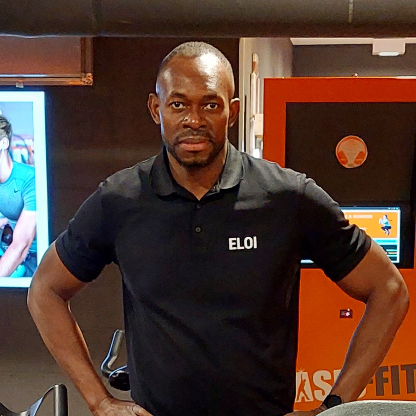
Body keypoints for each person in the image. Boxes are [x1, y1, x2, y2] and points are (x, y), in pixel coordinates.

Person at [27, 42, 409, 416]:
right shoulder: (120, 200)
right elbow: (45, 290)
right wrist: (100, 402)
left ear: (233, 111)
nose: (194, 120)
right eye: (178, 104)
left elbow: (389, 290)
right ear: (156, 109)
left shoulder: (288, 197)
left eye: (210, 104)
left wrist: (333, 407)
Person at [0, 115, 37, 277]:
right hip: (8, 250)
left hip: (36, 257)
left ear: (3, 143)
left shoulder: (29, 179)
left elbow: (21, 245)